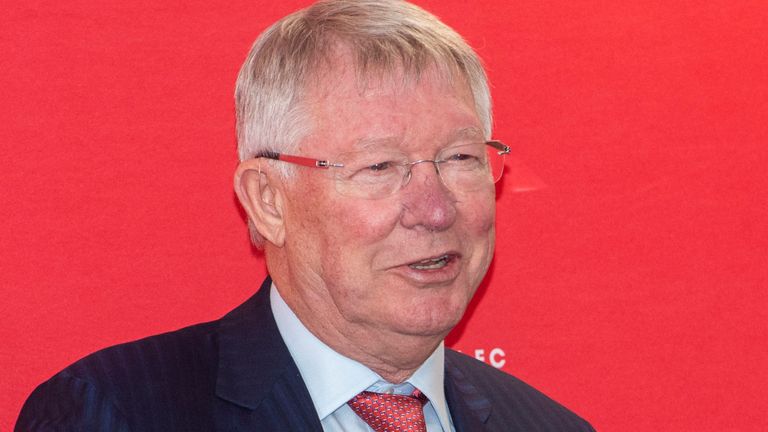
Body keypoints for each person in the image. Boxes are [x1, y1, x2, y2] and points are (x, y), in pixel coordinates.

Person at [16, 1, 594, 431]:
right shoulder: (112, 412)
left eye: (461, 158)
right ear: (268, 200)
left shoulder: (550, 426)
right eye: (379, 167)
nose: (435, 208)